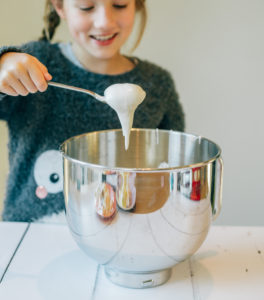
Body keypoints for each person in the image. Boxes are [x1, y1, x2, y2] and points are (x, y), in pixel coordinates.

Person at [0, 0, 185, 223]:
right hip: (30, 234)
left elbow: (174, 168)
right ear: (60, 7)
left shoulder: (157, 83)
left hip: (120, 235)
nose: (104, 22)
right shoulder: (36, 65)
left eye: (119, 4)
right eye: (87, 7)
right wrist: (3, 65)